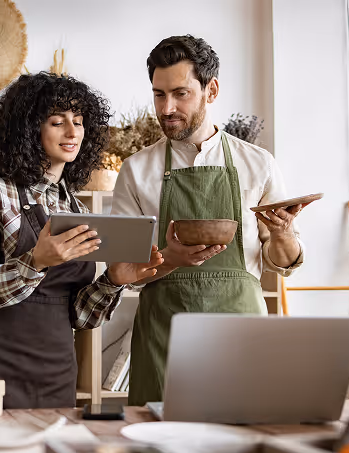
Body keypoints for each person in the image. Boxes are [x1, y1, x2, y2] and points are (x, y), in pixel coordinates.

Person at [111, 35, 306, 406]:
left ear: (211, 90)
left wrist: (283, 233)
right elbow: (120, 268)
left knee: (245, 443)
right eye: (158, 94)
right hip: (164, 335)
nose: (167, 108)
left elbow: (281, 263)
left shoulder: (258, 164)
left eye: (180, 93)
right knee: (159, 451)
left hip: (243, 336)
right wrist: (170, 258)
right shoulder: (136, 171)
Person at [0, 72, 163, 409]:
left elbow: (76, 315)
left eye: (78, 122)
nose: (72, 132)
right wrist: (35, 261)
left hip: (57, 371)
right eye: (57, 121)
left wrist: (114, 281)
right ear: (30, 129)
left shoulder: (74, 206)